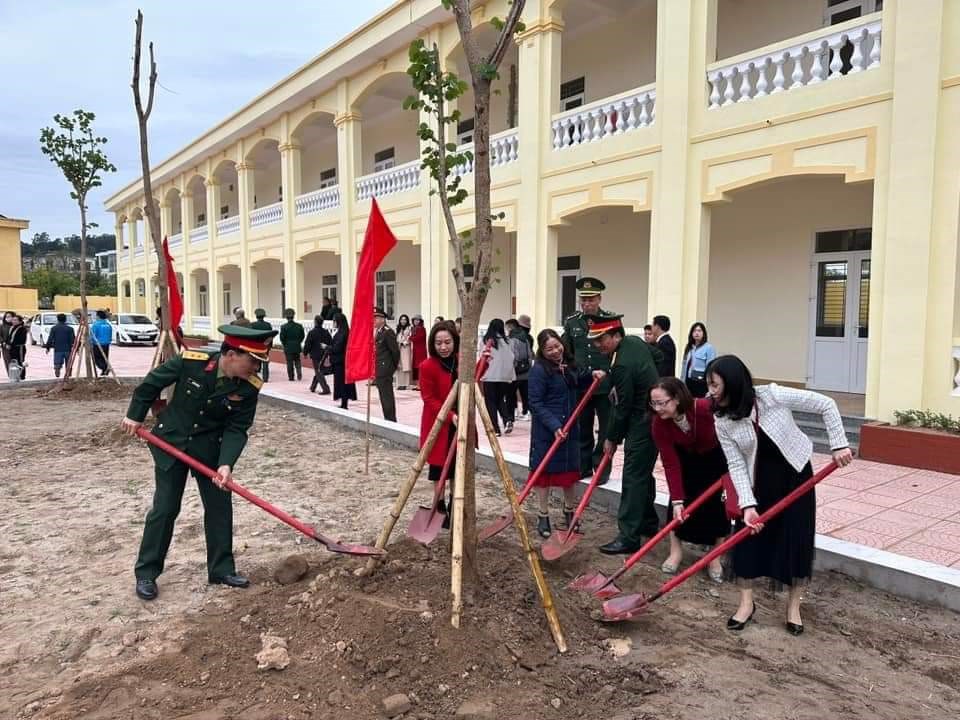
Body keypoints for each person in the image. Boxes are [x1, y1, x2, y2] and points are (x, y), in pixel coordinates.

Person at [120, 323, 276, 601]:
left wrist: (226, 463)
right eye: (253, 361)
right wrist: (135, 415)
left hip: (210, 450)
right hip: (172, 443)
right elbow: (151, 383)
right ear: (231, 355)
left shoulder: (249, 387)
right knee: (165, 508)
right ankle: (146, 573)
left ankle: (221, 570)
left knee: (219, 507)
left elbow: (237, 428)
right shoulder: (192, 362)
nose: (257, 368)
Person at [708, 355, 853, 635]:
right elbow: (736, 464)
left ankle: (793, 607)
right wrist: (747, 505)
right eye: (709, 385)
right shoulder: (722, 419)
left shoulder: (771, 395)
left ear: (733, 382)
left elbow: (826, 404)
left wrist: (838, 444)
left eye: (715, 385)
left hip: (795, 475)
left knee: (796, 538)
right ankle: (746, 605)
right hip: (758, 483)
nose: (710, 391)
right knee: (747, 541)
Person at [590, 315, 660, 554]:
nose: (598, 345)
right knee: (642, 472)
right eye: (595, 340)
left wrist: (611, 438)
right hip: (652, 416)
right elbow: (658, 357)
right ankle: (648, 523)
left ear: (616, 336)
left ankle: (629, 536)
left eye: (601, 339)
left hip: (642, 421)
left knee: (632, 476)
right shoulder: (635, 343)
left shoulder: (621, 364)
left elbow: (622, 407)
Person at [650, 378, 729, 581]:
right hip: (684, 461)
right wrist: (677, 499)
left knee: (718, 508)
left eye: (662, 403)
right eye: (653, 403)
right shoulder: (659, 424)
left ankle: (714, 557)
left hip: (715, 458)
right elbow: (670, 463)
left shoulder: (702, 409)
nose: (657, 409)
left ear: (676, 398)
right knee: (678, 505)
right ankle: (675, 552)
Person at [528, 328, 602, 538]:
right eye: (549, 349)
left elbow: (578, 379)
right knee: (544, 474)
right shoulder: (539, 370)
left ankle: (569, 512)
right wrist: (554, 425)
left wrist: (592, 375)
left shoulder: (568, 364)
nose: (555, 351)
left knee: (569, 473)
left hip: (570, 427)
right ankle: (543, 515)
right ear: (542, 351)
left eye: (557, 346)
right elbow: (535, 403)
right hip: (547, 430)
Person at [561, 277, 616, 485]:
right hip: (582, 385)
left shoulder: (611, 320)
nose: (586, 304)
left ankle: (601, 468)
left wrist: (612, 377)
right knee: (582, 427)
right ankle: (582, 466)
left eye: (591, 300)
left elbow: (617, 352)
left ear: (599, 299)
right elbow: (567, 353)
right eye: (583, 300)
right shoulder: (572, 322)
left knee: (606, 430)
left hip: (605, 386)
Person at [419, 320, 460, 527]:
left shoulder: (461, 362)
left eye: (447, 342)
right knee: (439, 468)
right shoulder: (427, 366)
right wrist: (450, 415)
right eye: (438, 343)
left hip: (460, 422)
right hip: (439, 423)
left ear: (455, 341)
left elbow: (476, 377)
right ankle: (440, 505)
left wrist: (486, 362)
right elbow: (429, 398)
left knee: (457, 468)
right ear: (432, 344)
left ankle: (455, 504)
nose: (443, 347)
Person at [480, 318, 516, 436]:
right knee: (500, 399)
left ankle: (495, 429)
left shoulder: (486, 341)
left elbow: (482, 357)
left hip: (490, 375)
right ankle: (507, 420)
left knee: (490, 402)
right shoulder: (508, 341)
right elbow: (512, 358)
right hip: (504, 376)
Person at [374, 307, 401, 422]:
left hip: (385, 369)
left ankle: (391, 420)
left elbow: (395, 351)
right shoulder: (379, 331)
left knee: (387, 396)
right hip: (380, 369)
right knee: (383, 396)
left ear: (382, 319)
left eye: (376, 318)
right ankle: (387, 418)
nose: (374, 321)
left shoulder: (388, 332)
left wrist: (392, 367)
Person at [506, 318, 533, 420]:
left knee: (511, 394)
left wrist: (511, 368)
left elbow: (514, 356)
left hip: (515, 373)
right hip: (526, 371)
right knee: (525, 394)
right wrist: (528, 366)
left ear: (510, 328)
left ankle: (512, 415)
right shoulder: (526, 338)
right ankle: (527, 412)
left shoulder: (512, 339)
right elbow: (530, 354)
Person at [680, 322, 716, 398]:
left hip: (701, 382)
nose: (697, 333)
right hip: (688, 381)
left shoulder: (708, 348)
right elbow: (684, 365)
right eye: (694, 331)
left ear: (703, 333)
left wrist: (710, 385)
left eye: (699, 331)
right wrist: (682, 381)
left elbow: (711, 367)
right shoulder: (689, 347)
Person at [329, 312, 357, 410]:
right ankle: (343, 402)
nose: (333, 323)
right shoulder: (344, 332)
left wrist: (328, 348)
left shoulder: (342, 333)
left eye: (334, 321)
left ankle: (344, 404)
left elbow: (337, 348)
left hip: (341, 362)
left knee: (342, 383)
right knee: (344, 383)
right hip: (343, 361)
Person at [302, 315, 332, 394]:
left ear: (315, 322)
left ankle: (325, 389)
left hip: (315, 355)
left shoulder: (312, 333)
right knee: (319, 370)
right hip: (324, 354)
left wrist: (305, 353)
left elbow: (307, 344)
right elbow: (330, 342)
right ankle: (313, 386)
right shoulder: (326, 332)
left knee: (318, 371)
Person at [43, 313, 76, 378]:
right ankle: (68, 374)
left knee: (57, 362)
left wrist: (47, 348)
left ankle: (57, 370)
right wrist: (76, 348)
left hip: (58, 349)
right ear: (65, 319)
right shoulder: (70, 329)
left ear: (57, 319)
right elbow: (73, 339)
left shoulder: (54, 328)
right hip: (68, 349)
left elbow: (50, 338)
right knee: (68, 363)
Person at [279, 308, 305, 381]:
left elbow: (282, 338)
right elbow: (302, 336)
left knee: (289, 362)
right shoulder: (299, 326)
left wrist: (285, 344)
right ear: (293, 316)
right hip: (297, 346)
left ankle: (291, 377)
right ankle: (299, 374)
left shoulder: (284, 327)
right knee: (297, 361)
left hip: (288, 347)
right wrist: (298, 342)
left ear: (286, 317)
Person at [250, 309, 274, 382]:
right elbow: (271, 335)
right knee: (265, 361)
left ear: (256, 316)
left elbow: (251, 336)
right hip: (265, 345)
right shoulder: (268, 325)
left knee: (255, 360)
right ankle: (265, 378)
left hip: (256, 345)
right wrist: (270, 345)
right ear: (263, 316)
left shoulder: (253, 325)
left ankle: (255, 377)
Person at [90, 309, 113, 377]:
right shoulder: (108, 324)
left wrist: (90, 342)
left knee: (97, 359)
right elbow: (110, 334)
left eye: (96, 316)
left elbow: (92, 335)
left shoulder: (96, 324)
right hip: (106, 344)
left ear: (98, 316)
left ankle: (105, 368)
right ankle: (104, 371)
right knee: (104, 358)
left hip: (97, 344)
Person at [5, 314, 28, 379]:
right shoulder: (12, 328)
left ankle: (22, 376)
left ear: (20, 321)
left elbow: (21, 340)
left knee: (20, 361)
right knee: (14, 362)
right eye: (13, 320)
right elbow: (9, 337)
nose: (14, 321)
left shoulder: (22, 329)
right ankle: (15, 375)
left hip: (19, 348)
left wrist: (11, 344)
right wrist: (7, 343)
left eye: (15, 320)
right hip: (12, 348)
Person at [395, 314, 413, 390]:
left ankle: (406, 384)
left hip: (405, 348)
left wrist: (404, 342)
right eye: (402, 319)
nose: (403, 321)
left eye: (405, 319)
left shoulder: (410, 328)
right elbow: (396, 337)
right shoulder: (398, 328)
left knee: (406, 366)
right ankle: (400, 384)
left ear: (407, 321)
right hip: (398, 348)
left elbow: (410, 338)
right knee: (399, 366)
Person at [410, 315, 427, 390]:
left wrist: (410, 337)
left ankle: (421, 385)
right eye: (414, 320)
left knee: (420, 367)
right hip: (415, 351)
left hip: (421, 351)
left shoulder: (422, 329)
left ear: (420, 321)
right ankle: (417, 385)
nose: (416, 321)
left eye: (417, 320)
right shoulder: (414, 328)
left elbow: (417, 338)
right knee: (416, 368)